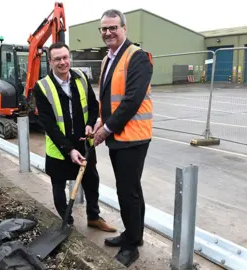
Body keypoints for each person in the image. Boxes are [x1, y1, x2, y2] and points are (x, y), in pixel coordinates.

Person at [33, 42, 117, 233]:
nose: (63, 62)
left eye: (65, 57)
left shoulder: (80, 77)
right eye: (57, 59)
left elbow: (94, 105)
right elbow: (48, 124)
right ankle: (66, 221)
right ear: (50, 61)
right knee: (59, 185)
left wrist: (91, 122)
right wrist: (68, 149)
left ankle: (94, 217)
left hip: (84, 143)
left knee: (91, 181)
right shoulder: (42, 87)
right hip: (59, 147)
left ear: (69, 57)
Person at [93, 9, 153, 267]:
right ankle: (133, 234)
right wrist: (99, 120)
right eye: (104, 29)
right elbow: (107, 97)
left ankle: (131, 247)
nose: (108, 33)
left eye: (113, 27)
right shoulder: (108, 58)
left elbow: (131, 101)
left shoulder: (136, 57)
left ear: (124, 28)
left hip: (132, 136)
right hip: (119, 135)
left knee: (127, 192)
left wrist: (106, 129)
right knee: (131, 189)